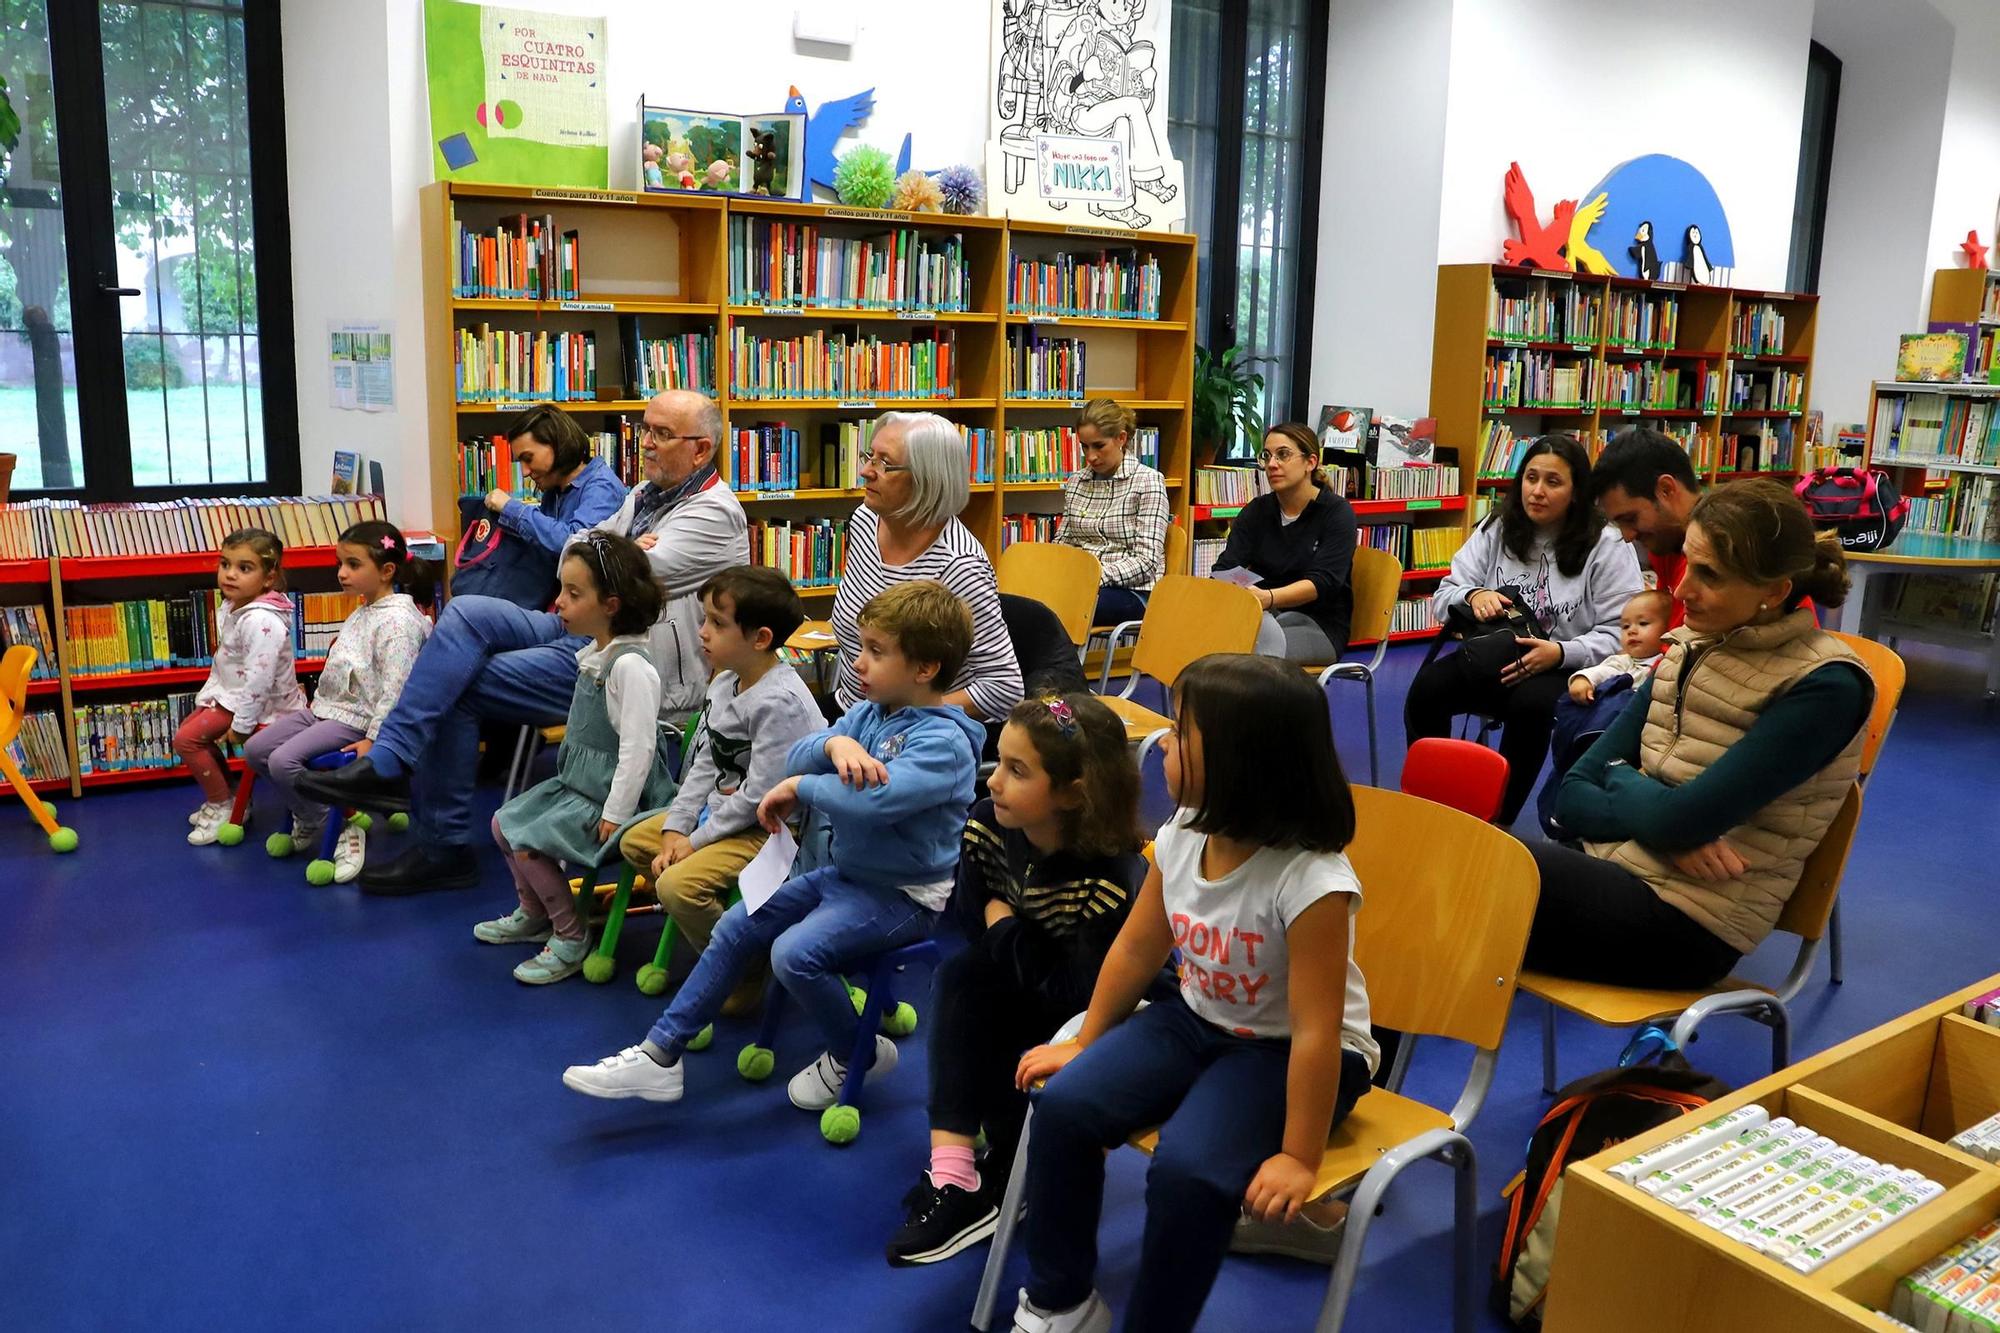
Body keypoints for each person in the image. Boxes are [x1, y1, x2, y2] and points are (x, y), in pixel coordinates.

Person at [1007, 654, 1378, 1333]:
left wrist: (1299, 1155)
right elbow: (1137, 947)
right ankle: (1062, 1301)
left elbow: (1321, 1029)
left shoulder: (1312, 879)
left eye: (1182, 734)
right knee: (1062, 1108)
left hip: (1289, 1049)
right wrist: (1089, 1038)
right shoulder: (1182, 833)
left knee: (1186, 1172)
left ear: (1242, 763)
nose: (1164, 745)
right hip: (1198, 1016)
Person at [560, 580, 986, 1112]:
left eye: (877, 653)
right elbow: (803, 751)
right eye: (861, 648)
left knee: (793, 953)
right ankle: (659, 1055)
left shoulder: (944, 743)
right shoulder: (872, 714)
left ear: (924, 670)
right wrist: (835, 741)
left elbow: (876, 802)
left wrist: (801, 787)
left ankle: (855, 1052)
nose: (859, 664)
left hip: (902, 897)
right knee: (738, 924)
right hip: (847, 876)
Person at [298, 389, 746, 894]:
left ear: (701, 449)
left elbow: (610, 575)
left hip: (631, 668)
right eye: (644, 429)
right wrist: (609, 552)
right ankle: (391, 760)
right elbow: (574, 559)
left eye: (661, 434)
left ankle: (435, 838)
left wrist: (606, 553)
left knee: (456, 683)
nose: (645, 444)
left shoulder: (714, 513)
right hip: (583, 633)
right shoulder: (644, 494)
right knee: (465, 612)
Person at [1536, 480, 1873, 989]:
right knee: (1444, 879)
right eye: (1689, 563)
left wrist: (1627, 786)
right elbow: (1574, 792)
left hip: (1691, 921)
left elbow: (1675, 812)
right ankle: (1372, 1061)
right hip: (1612, 868)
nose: (1681, 590)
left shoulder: (1827, 685)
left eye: (1709, 574)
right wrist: (1666, 828)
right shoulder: (1691, 644)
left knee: (1467, 876)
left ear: (1774, 592)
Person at [885, 692, 1147, 1268]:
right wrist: (1007, 934)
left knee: (1000, 1004)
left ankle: (1008, 1171)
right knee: (962, 976)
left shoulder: (1112, 879)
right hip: (1026, 975)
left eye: (1017, 770)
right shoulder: (986, 825)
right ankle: (956, 1174)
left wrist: (1006, 925)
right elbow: (970, 919)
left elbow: (1078, 993)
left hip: (1094, 1017)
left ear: (1074, 792)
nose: (994, 782)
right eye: (997, 761)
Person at [1404, 433, 1643, 824]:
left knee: (1529, 708)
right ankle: (1434, 807)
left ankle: (1498, 819)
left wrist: (1562, 653)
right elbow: (1444, 595)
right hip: (1495, 651)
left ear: (1577, 491)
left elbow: (1624, 632)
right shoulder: (1497, 526)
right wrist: (1473, 596)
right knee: (1427, 690)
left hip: (1564, 664)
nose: (1537, 491)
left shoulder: (1606, 543)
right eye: (1531, 478)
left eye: (1553, 482)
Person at [614, 567, 823, 1014]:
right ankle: (729, 945)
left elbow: (757, 799)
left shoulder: (779, 702)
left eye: (716, 623)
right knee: (635, 842)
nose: (702, 632)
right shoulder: (726, 680)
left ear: (761, 638)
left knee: (676, 887)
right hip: (724, 818)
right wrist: (676, 827)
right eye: (704, 619)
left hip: (771, 830)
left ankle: (745, 964)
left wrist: (694, 842)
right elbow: (706, 761)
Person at [474, 533, 677, 984]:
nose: (559, 602)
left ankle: (569, 934)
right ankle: (535, 912)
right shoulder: (595, 655)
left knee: (528, 843)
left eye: (573, 593)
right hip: (579, 786)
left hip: (617, 800)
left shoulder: (630, 667)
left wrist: (616, 811)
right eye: (561, 590)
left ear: (611, 605)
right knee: (502, 823)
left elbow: (639, 749)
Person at [243, 521, 431, 882]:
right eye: (340, 563)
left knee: (283, 761)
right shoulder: (366, 609)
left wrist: (376, 739)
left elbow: (396, 689)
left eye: (353, 565)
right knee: (255, 750)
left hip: (355, 720)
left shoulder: (397, 622)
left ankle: (336, 827)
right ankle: (312, 815)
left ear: (387, 570)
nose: (342, 573)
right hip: (325, 710)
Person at [832, 411, 1023, 721]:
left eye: (884, 463)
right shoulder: (865, 520)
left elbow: (1004, 688)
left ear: (926, 478)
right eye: (869, 456)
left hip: (914, 730)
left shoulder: (959, 566)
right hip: (854, 715)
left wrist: (905, 716)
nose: (866, 471)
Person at [177, 529, 309, 846]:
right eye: (225, 564)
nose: (230, 574)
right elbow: (228, 665)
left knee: (187, 740)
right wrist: (210, 698)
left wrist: (243, 725)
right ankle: (231, 797)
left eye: (244, 568)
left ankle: (223, 803)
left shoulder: (261, 620)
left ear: (269, 577)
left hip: (264, 706)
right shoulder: (235, 606)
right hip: (233, 696)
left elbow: (258, 681)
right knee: (189, 730)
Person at [455, 402, 628, 609]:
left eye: (529, 459)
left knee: (465, 615)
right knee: (463, 613)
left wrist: (511, 508)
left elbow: (576, 546)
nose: (525, 472)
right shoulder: (555, 488)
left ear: (557, 445)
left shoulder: (602, 487)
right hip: (554, 604)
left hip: (579, 616)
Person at [1212, 423, 1357, 662]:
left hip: (1319, 625)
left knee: (1244, 654)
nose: (1271, 464)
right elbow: (1225, 568)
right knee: (1207, 640)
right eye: (1266, 456)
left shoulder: (1336, 513)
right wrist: (1244, 594)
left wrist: (1267, 597)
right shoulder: (1257, 511)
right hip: (1263, 614)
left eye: (1283, 455)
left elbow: (1323, 582)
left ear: (1310, 462)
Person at [1055, 397, 1170, 626]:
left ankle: (1058, 662)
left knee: (1062, 605)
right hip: (1080, 583)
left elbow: (1146, 562)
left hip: (1133, 591)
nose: (1091, 456)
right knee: (1024, 601)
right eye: (1084, 446)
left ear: (1121, 438)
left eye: (1099, 446)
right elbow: (1063, 542)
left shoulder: (1148, 482)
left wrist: (1093, 575)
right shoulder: (1077, 482)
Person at [1590, 427, 1703, 622]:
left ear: (1666, 489)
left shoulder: (1718, 559)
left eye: (1630, 519)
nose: (1627, 536)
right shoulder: (1667, 545)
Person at [1567, 589, 1673, 705]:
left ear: (1670, 626)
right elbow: (1605, 671)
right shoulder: (1623, 662)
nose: (1631, 631)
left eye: (1643, 623)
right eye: (1625, 626)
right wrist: (1584, 679)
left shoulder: (1671, 662)